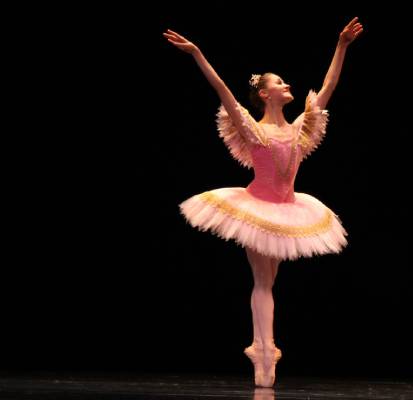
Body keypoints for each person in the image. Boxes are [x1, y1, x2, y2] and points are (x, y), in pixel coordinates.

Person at [163, 17, 363, 388]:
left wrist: (341, 46)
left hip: (288, 209)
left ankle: (262, 349)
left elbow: (328, 87)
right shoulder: (253, 129)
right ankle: (265, 353)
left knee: (268, 280)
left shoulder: (301, 126)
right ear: (266, 94)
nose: (287, 85)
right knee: (262, 280)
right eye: (279, 82)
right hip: (256, 208)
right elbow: (222, 90)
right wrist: (197, 53)